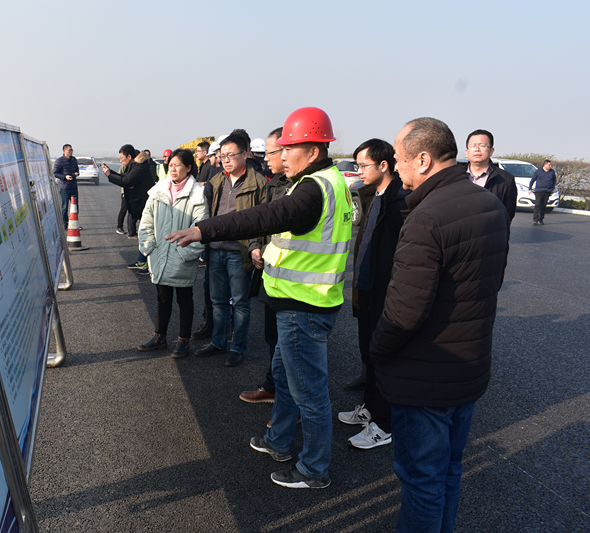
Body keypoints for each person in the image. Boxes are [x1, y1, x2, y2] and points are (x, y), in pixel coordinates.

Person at [168, 107, 351, 489]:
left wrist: (203, 230)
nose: (281, 156)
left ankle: (314, 469)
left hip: (304, 306)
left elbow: (262, 217)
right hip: (299, 302)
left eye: (288, 149)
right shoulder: (330, 182)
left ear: (312, 151)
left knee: (310, 394)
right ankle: (278, 440)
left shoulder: (312, 189)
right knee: (285, 378)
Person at [371, 117, 509, 532]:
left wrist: (377, 351)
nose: (397, 167)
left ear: (423, 159)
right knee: (448, 470)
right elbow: (492, 283)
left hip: (425, 377)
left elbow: (404, 312)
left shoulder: (426, 216)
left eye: (399, 158)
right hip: (468, 365)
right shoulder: (490, 204)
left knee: (421, 480)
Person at [337, 139, 409, 450]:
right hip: (365, 287)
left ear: (384, 165)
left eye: (364, 165)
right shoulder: (371, 195)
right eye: (357, 165)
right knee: (368, 353)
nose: (359, 171)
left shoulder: (400, 201)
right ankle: (370, 409)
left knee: (383, 358)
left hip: (385, 292)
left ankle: (384, 423)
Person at [192, 130, 268, 367]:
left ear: (245, 154)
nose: (225, 160)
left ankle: (237, 347)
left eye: (230, 155)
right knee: (217, 300)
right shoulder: (217, 181)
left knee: (241, 302)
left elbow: (263, 221)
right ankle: (218, 342)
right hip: (215, 249)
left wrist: (256, 247)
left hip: (239, 251)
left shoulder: (259, 183)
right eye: (222, 155)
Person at [137, 149, 208, 357]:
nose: (173, 169)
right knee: (162, 298)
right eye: (171, 165)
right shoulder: (158, 190)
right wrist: (149, 246)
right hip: (160, 253)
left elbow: (201, 227)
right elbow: (146, 221)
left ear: (188, 167)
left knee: (184, 299)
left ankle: (184, 340)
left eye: (178, 165)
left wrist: (186, 252)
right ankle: (160, 336)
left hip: (182, 254)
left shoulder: (197, 194)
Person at [239, 127, 291, 405]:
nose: (265, 158)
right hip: (272, 277)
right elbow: (260, 221)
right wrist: (256, 246)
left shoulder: (303, 189)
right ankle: (273, 387)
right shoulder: (274, 184)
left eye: (270, 152)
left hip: (295, 285)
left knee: (290, 347)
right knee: (273, 338)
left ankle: (290, 403)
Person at [102, 145, 153, 273]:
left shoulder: (140, 168)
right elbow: (124, 177)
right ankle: (142, 261)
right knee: (145, 235)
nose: (120, 160)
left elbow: (127, 181)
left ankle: (146, 263)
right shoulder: (134, 166)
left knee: (147, 235)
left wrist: (109, 175)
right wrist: (110, 172)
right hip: (141, 205)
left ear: (129, 156)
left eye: (122, 158)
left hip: (147, 206)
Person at [463, 129, 517, 221]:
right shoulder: (455, 176)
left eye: (482, 145)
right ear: (467, 151)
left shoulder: (505, 179)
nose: (477, 149)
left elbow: (508, 213)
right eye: (473, 146)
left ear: (491, 151)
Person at [53, 144, 80, 229]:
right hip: (65, 187)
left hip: (73, 186)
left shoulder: (74, 159)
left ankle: (74, 224)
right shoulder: (59, 161)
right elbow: (55, 173)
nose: (71, 152)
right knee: (65, 207)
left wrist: (76, 173)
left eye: (72, 150)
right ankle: (65, 224)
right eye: (69, 150)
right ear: (64, 151)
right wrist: (65, 177)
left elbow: (77, 169)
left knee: (75, 207)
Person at [529, 159, 556, 225]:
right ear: (545, 165)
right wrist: (530, 188)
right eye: (549, 165)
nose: (550, 166)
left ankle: (541, 219)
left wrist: (552, 188)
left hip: (547, 191)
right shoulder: (539, 171)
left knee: (544, 205)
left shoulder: (552, 172)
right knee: (538, 205)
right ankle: (535, 219)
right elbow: (533, 179)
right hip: (539, 190)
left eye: (550, 165)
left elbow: (554, 180)